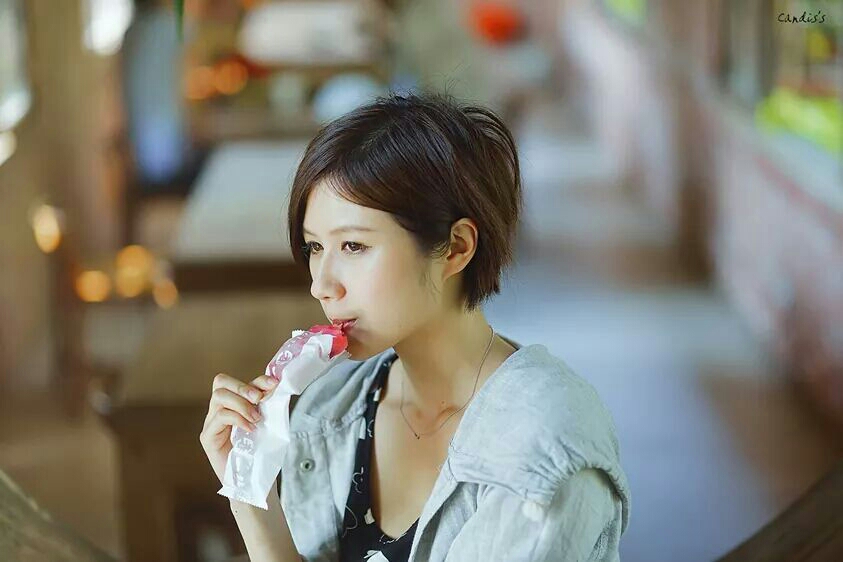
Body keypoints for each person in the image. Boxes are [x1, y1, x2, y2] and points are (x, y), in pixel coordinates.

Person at [200, 92, 631, 561]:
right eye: (314, 248)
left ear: (456, 247)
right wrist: (249, 492)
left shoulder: (546, 446)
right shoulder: (331, 407)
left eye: (353, 247)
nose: (321, 285)